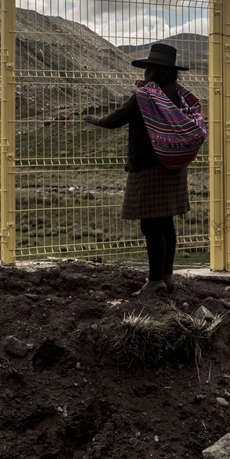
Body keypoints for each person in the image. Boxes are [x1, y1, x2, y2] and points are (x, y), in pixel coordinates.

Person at [84, 42, 195, 296]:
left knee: (150, 225)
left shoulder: (146, 96)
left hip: (148, 167)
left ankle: (155, 281)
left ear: (152, 70)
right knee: (166, 223)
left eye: (147, 68)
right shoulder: (179, 94)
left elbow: (117, 119)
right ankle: (167, 277)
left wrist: (96, 120)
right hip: (173, 166)